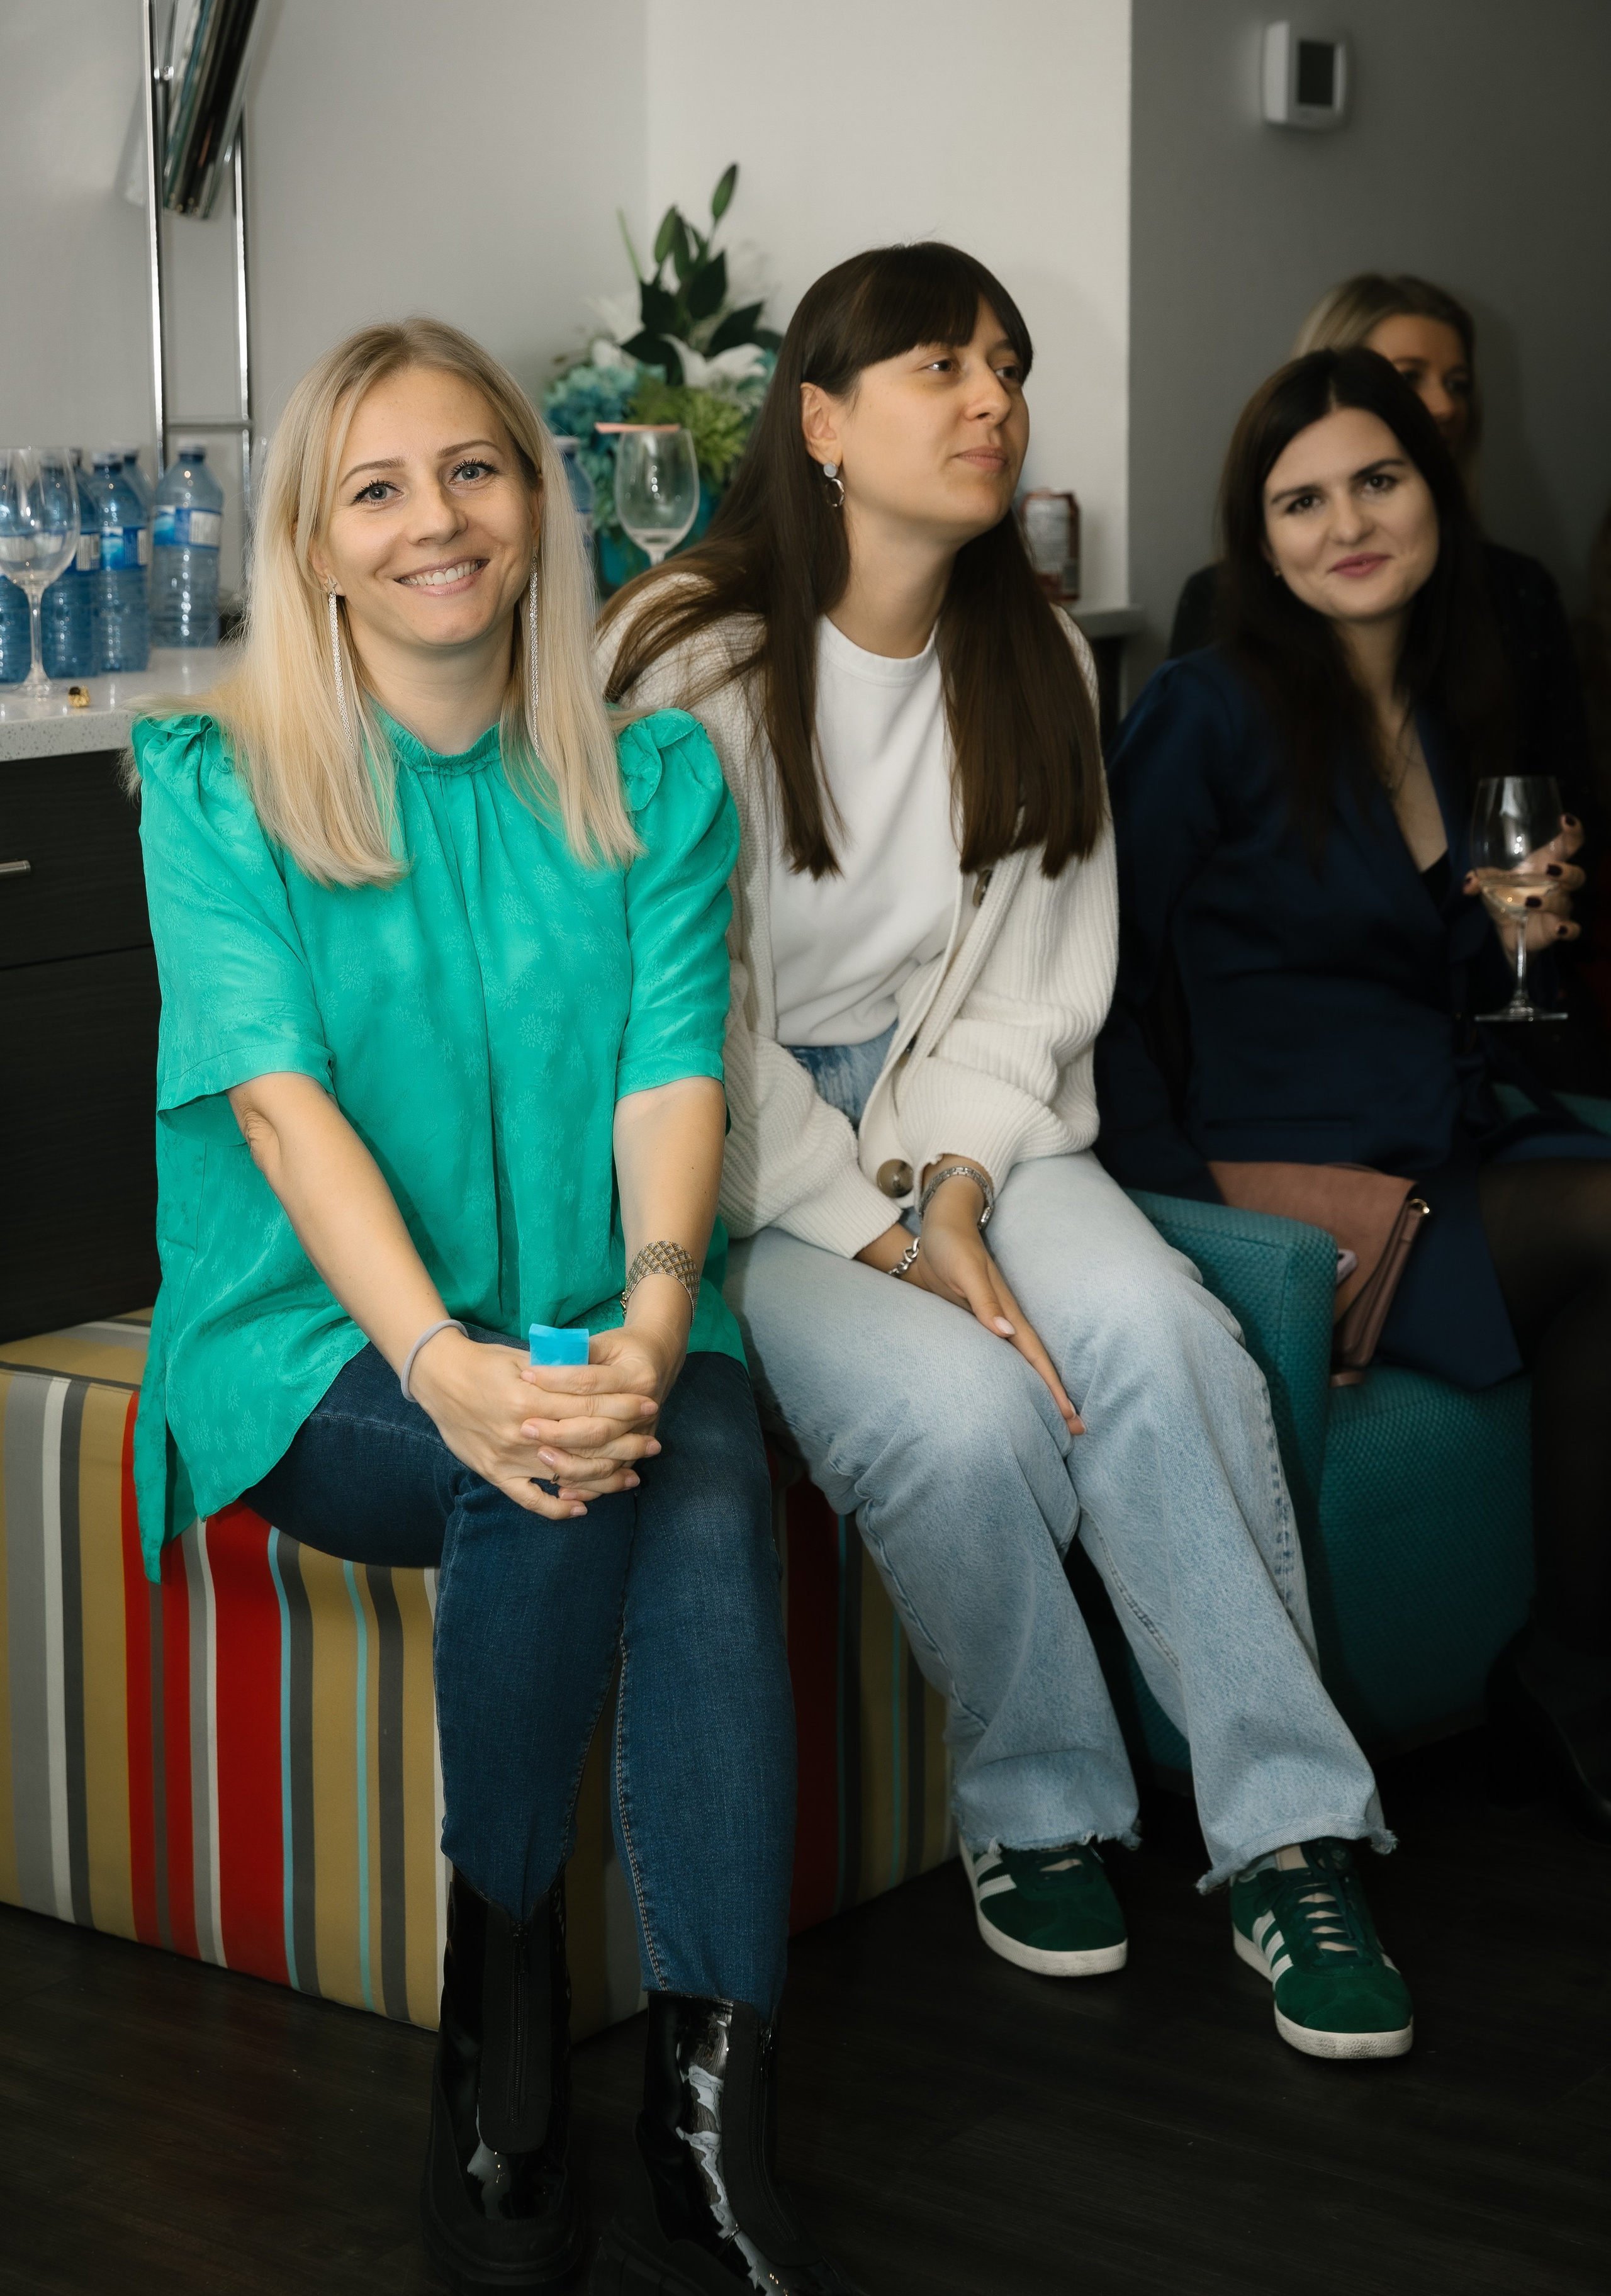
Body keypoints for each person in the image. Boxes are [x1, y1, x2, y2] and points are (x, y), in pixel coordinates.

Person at [603, 241, 1414, 2067]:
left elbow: (1039, 985)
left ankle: (1288, 1835)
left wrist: (958, 1186)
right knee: (959, 1413)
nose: (993, 401)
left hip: (965, 1106)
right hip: (737, 1153)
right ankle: (1034, 1801)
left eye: (1007, 366)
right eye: (940, 368)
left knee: (1158, 1336)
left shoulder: (1035, 648)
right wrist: (885, 1236)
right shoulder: (678, 657)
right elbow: (671, 1022)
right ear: (820, 422)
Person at [129, 319, 863, 2296]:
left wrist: (652, 1314)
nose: (433, 519)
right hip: (317, 1343)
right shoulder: (218, 785)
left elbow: (669, 1079)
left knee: (679, 1470)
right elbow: (277, 1109)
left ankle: (704, 2115)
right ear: (314, 542)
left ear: (539, 504)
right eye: (375, 488)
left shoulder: (650, 777)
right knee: (546, 1461)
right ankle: (509, 2019)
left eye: (472, 469)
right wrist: (444, 1364)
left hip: (606, 1307)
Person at [1097, 347, 1611, 1849]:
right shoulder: (1201, 709)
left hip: (1441, 1135)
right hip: (1298, 1189)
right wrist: (1184, 1243)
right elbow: (1102, 991)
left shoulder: (1448, 713)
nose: (1346, 524)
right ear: (1257, 544)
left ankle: (1569, 1672)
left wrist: (1528, 934)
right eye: (1299, 501)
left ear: (1429, 490)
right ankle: (1567, 1680)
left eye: (1375, 480)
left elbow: (1467, 993)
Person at [1169, 276, 1601, 882]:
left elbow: (1556, 816)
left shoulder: (1509, 599)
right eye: (1408, 378)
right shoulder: (1203, 682)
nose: (1443, 406)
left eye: (1458, 384)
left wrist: (1531, 911)